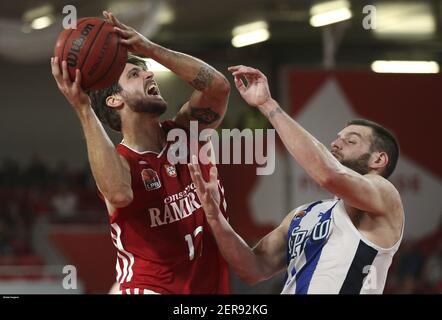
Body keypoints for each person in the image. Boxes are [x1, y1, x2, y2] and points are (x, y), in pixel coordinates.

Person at [51, 11, 231, 294]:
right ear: (114, 99)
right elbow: (119, 194)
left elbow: (218, 87)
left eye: (145, 69)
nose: (149, 73)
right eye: (135, 74)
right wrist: (83, 109)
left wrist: (150, 49)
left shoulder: (187, 133)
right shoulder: (121, 164)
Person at [188, 65, 404, 294]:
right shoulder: (305, 214)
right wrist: (214, 216)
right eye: (337, 138)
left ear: (378, 160)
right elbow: (253, 268)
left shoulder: (385, 194)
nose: (335, 144)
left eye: (350, 141)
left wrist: (266, 104)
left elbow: (329, 174)